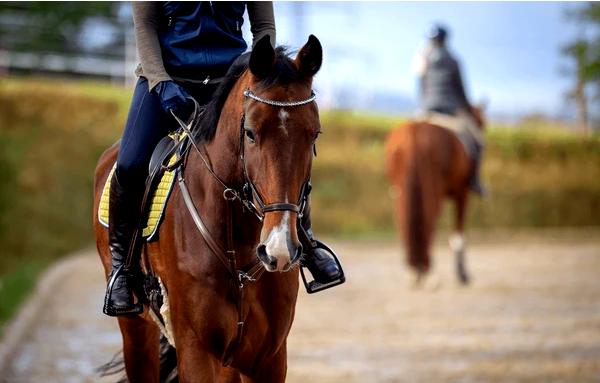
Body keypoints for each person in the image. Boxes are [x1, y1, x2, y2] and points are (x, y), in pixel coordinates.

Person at [104, 2, 342, 317]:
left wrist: (260, 70)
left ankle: (306, 242)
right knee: (131, 163)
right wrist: (160, 81)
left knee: (279, 149)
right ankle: (123, 268)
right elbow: (145, 24)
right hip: (165, 79)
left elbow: (264, 28)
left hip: (232, 81)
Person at [414, 23, 486, 195]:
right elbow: (461, 90)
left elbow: (421, 88)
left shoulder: (423, 61)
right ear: (445, 41)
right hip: (449, 112)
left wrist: (424, 104)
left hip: (426, 111)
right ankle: (474, 180)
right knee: (478, 142)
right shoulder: (454, 61)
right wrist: (467, 108)